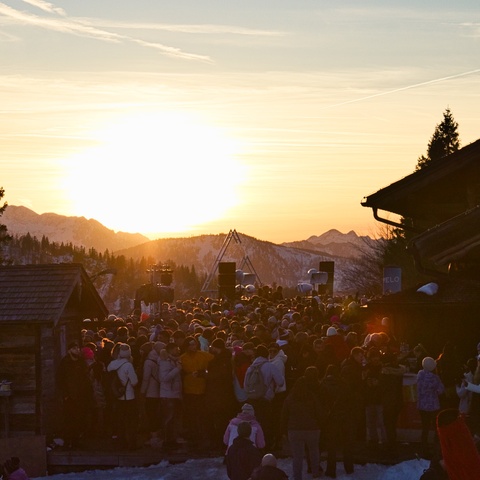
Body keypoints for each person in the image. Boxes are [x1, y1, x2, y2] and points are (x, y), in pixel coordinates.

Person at [281, 375, 323, 480]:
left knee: (297, 456)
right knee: (314, 451)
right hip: (312, 429)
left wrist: (283, 431)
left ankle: (297, 476)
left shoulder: (290, 398)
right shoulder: (312, 397)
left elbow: (284, 416)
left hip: (294, 430)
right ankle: (315, 472)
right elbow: (319, 413)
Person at [56, 341, 94, 449]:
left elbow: (86, 378)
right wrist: (65, 395)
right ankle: (68, 441)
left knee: (79, 419)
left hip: (81, 396)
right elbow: (60, 379)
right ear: (69, 350)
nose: (76, 350)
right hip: (70, 396)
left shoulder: (81, 362)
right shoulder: (65, 363)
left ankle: (76, 441)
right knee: (69, 419)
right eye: (74, 348)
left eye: (77, 348)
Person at [180, 336, 214, 449]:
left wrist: (204, 372)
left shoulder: (203, 355)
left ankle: (202, 437)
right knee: (191, 415)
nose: (193, 346)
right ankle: (193, 437)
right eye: (190, 344)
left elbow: (215, 361)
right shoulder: (182, 358)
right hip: (188, 390)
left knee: (201, 415)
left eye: (194, 344)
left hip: (201, 390)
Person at [107, 342, 139, 450]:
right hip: (128, 396)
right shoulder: (128, 365)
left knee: (120, 420)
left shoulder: (112, 364)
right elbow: (134, 382)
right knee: (130, 421)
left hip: (116, 396)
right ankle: (131, 443)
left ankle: (121, 442)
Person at [417, 357, 445, 458]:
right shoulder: (435, 378)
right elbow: (441, 390)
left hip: (422, 405)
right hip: (433, 406)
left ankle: (424, 449)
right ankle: (436, 449)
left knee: (425, 428)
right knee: (436, 428)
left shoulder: (420, 374)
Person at [158, 342, 183, 452]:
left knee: (173, 419)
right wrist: (177, 369)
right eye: (176, 349)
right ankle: (167, 441)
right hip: (168, 394)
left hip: (174, 393)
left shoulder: (174, 360)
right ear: (170, 350)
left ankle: (172, 440)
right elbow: (164, 378)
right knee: (169, 419)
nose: (178, 351)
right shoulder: (165, 362)